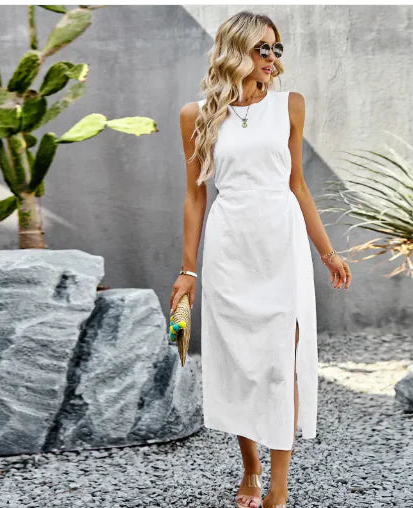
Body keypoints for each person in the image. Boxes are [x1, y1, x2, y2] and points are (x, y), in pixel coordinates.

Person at [169, 10, 351, 508]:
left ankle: (279, 484)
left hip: (281, 241)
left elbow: (297, 185)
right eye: (261, 48)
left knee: (280, 363)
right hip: (229, 244)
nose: (272, 57)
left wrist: (327, 252)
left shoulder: (290, 105)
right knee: (238, 362)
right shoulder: (196, 115)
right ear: (235, 52)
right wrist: (188, 270)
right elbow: (194, 197)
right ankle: (251, 467)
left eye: (277, 48)